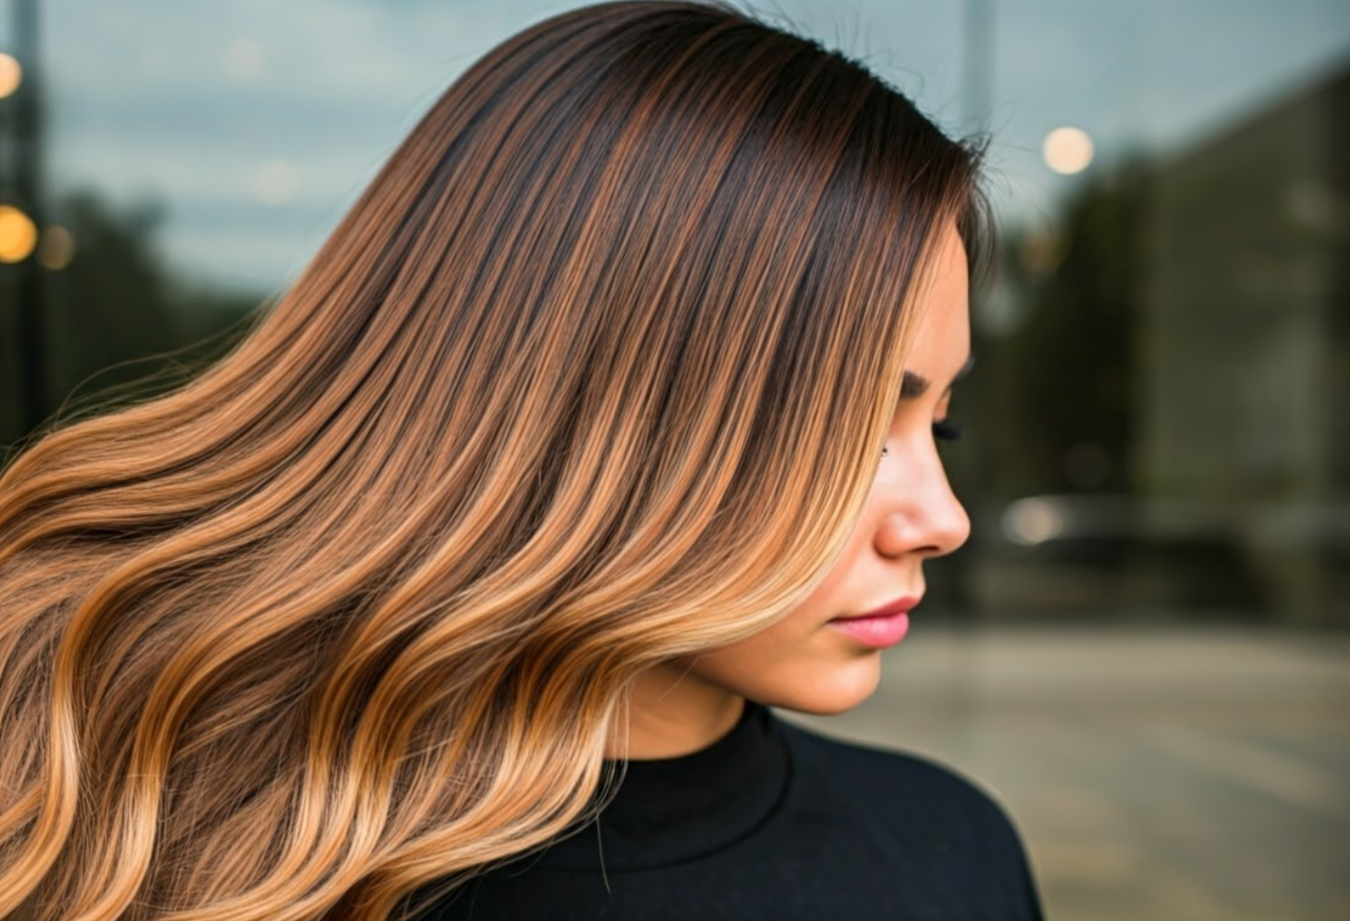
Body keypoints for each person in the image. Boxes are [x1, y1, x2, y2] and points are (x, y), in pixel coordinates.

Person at [0, 1, 1043, 918]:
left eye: (937, 427)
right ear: (584, 412)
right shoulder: (157, 847)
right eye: (856, 430)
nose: (942, 519)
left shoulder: (948, 853)